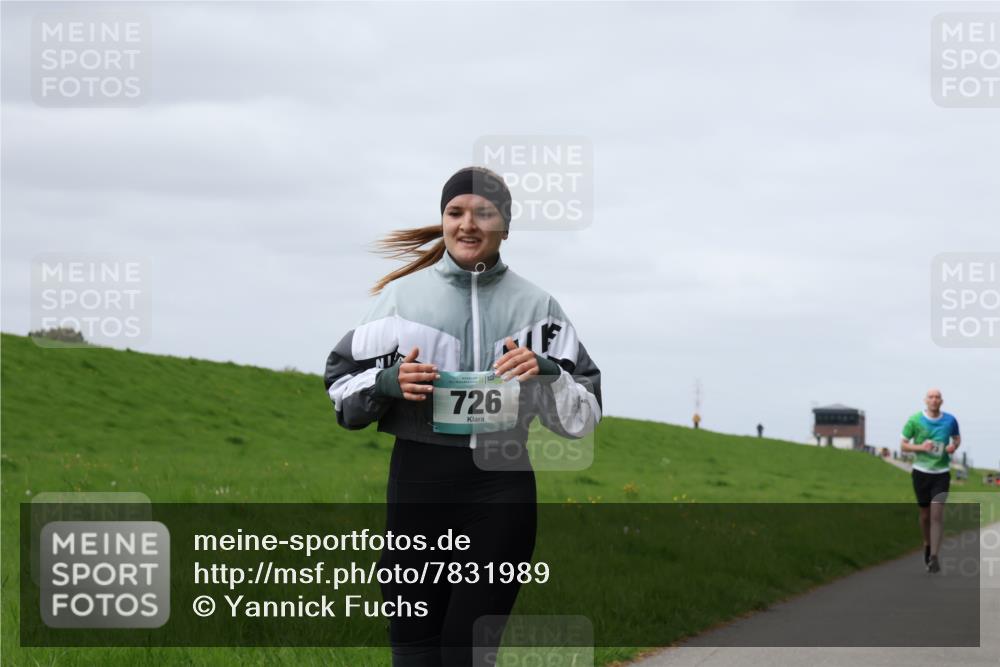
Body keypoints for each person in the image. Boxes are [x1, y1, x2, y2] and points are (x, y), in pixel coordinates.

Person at [324, 166, 602, 666]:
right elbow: (341, 390)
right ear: (443, 221)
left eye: (484, 213)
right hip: (418, 489)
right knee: (415, 653)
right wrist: (387, 383)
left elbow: (585, 415)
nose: (468, 224)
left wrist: (547, 373)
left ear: (506, 227)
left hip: (500, 492)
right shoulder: (400, 302)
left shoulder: (539, 309)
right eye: (455, 212)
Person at [899, 388, 961, 574]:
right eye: (931, 397)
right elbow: (903, 445)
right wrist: (921, 447)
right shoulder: (915, 420)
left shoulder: (950, 420)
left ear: (941, 401)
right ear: (925, 400)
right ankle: (927, 544)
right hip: (921, 472)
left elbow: (957, 439)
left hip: (941, 473)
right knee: (925, 515)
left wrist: (953, 447)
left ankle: (934, 556)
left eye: (937, 397)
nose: (934, 400)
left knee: (936, 514)